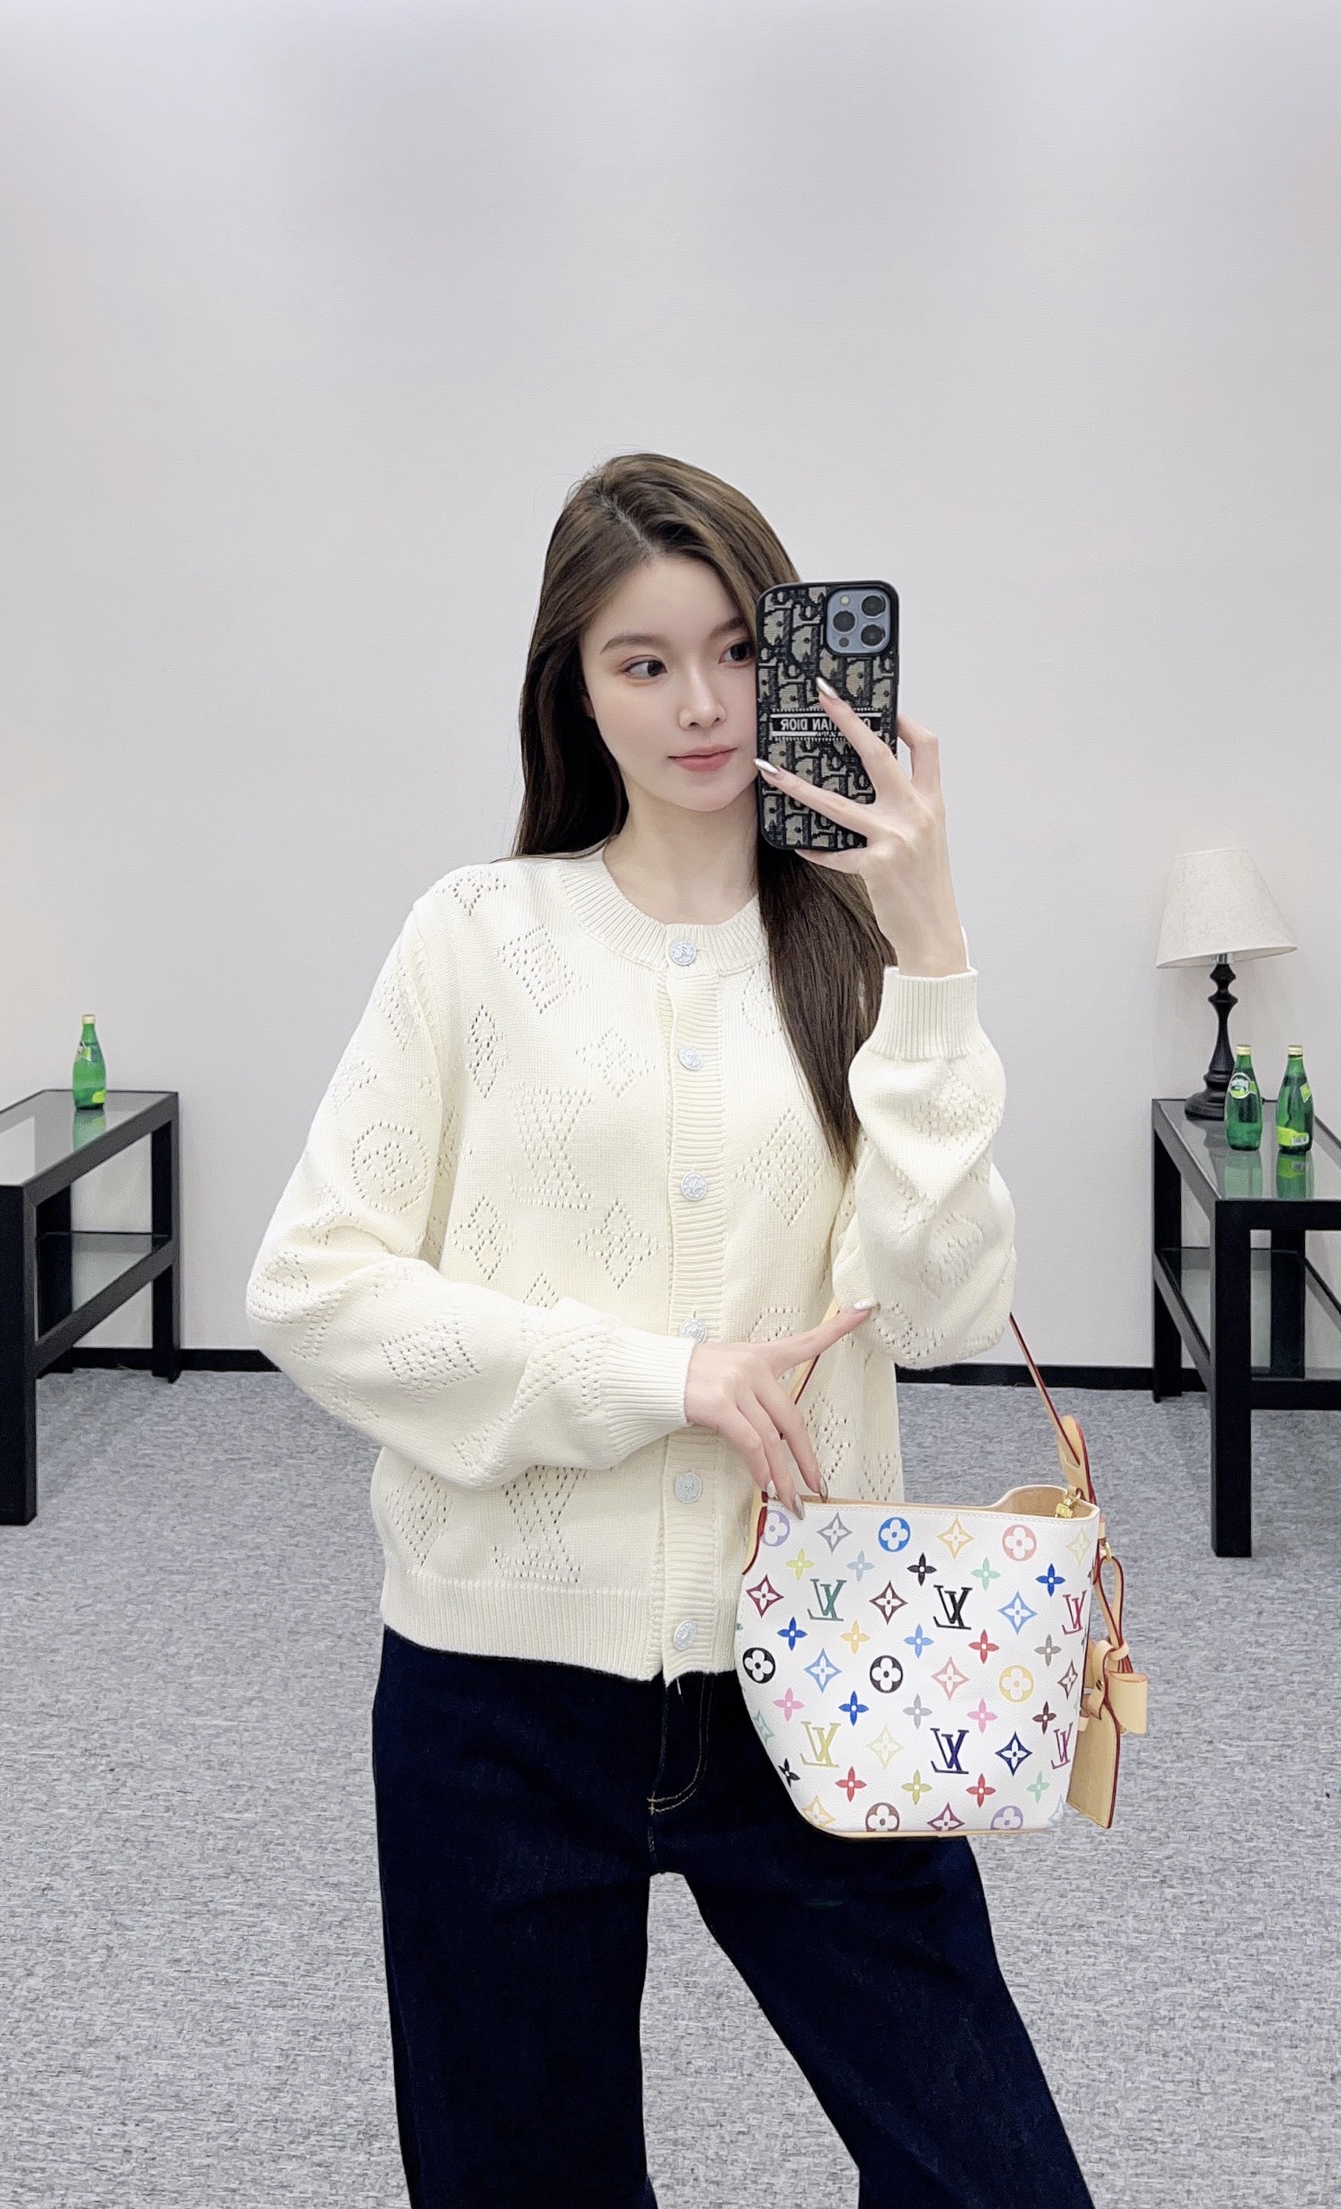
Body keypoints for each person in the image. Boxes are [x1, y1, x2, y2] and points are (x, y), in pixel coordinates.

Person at [245, 453, 1095, 2209]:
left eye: (733, 649)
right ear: (576, 686)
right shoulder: (476, 937)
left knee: (995, 2178)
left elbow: (938, 1311)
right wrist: (662, 1380)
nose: (700, 704)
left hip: (828, 1666)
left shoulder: (855, 950)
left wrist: (932, 952)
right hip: (499, 1692)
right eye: (642, 661)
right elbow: (313, 1284)